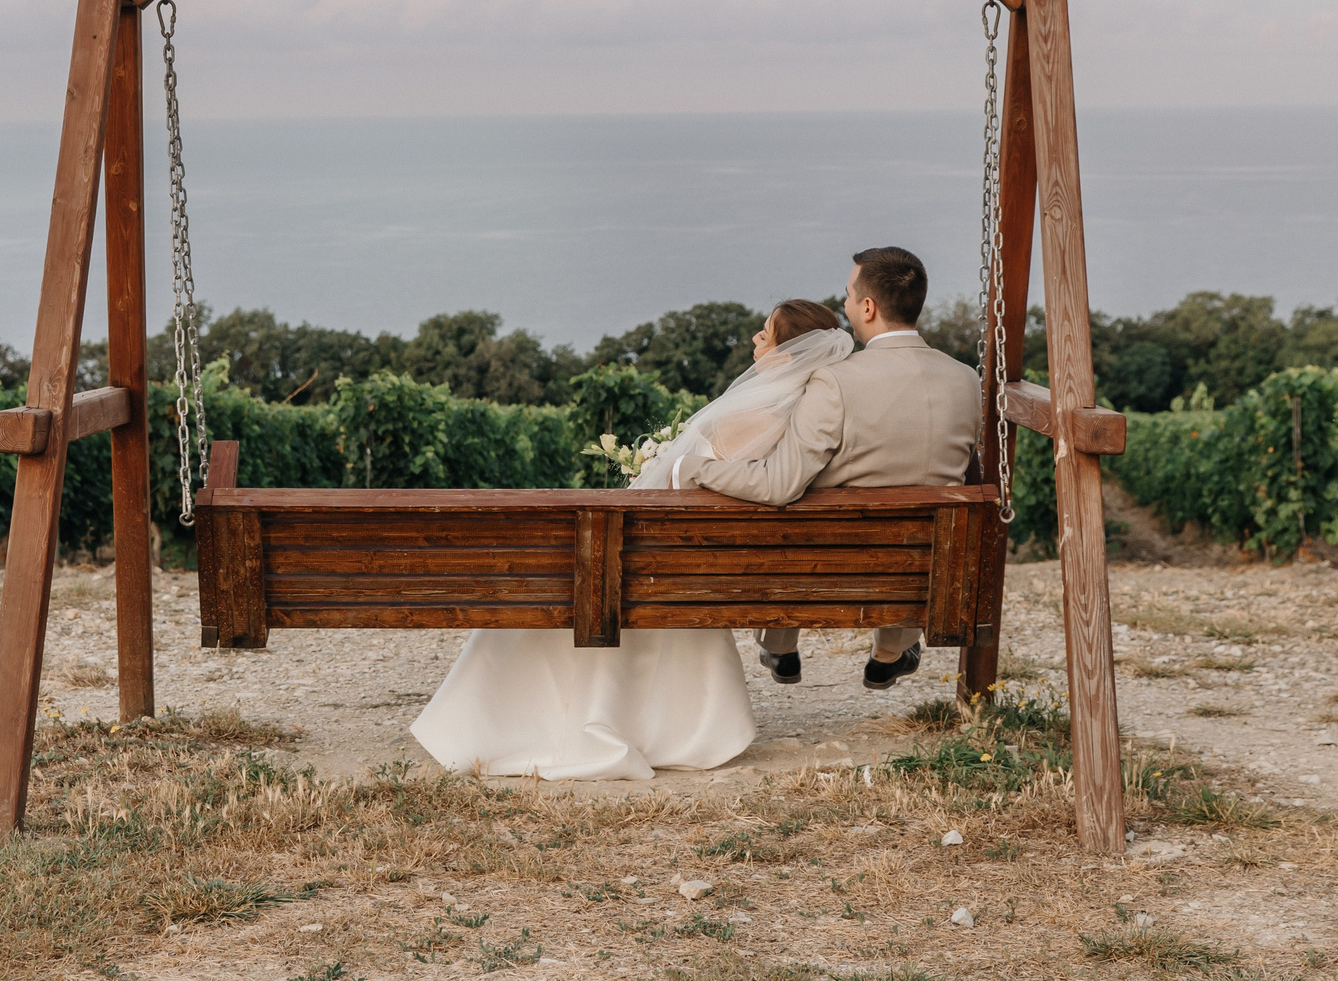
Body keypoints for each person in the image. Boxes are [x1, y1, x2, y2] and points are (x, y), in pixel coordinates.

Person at [407, 300, 851, 780]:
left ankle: (498, 721)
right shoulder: (798, 423)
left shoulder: (749, 419)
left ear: (787, 356)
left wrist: (670, 461)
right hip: (688, 560)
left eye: (764, 335)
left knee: (549, 589)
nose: (753, 341)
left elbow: (691, 478)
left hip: (657, 564)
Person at [670, 246, 979, 691]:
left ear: (869, 308)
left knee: (794, 500)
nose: (848, 306)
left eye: (850, 296)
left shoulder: (835, 380)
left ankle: (779, 643)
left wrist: (693, 469)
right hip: (930, 569)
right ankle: (891, 649)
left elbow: (778, 484)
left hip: (836, 569)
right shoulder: (966, 378)